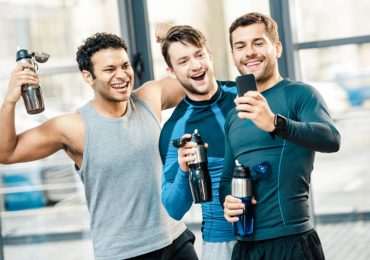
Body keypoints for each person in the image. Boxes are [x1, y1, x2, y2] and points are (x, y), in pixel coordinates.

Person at [0, 32, 198, 260]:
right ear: (88, 76)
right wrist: (10, 101)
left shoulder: (149, 97)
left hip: (176, 241)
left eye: (125, 66)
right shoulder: (73, 127)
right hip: (124, 254)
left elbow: (197, 79)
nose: (121, 75)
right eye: (109, 69)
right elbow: (6, 152)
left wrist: (174, 35)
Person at [219, 12, 341, 260]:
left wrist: (275, 123)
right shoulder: (234, 114)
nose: (250, 52)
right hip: (245, 248)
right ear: (234, 56)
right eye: (240, 46)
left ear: (277, 47)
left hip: (293, 244)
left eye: (258, 43)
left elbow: (331, 139)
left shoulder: (301, 94)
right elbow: (226, 179)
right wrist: (227, 201)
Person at [157, 25, 237, 260]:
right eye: (183, 61)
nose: (195, 65)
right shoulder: (175, 129)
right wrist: (183, 171)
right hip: (222, 243)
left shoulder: (244, 95)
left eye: (199, 55)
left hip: (272, 233)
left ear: (210, 56)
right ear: (171, 72)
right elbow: (174, 208)